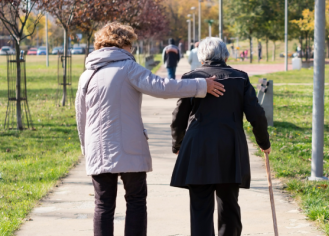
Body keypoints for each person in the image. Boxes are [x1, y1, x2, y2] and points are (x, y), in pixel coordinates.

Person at [75, 22, 226, 236]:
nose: (132, 50)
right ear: (124, 44)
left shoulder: (86, 75)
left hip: (97, 149)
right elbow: (162, 87)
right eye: (131, 46)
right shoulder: (127, 67)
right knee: (135, 201)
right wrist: (202, 86)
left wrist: (86, 147)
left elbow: (81, 116)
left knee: (102, 205)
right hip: (130, 149)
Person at [170, 37, 271, 236]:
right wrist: (264, 142)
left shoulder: (192, 76)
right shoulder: (240, 78)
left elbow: (179, 115)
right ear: (225, 55)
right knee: (229, 205)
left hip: (198, 146)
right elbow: (256, 114)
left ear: (201, 56)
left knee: (200, 208)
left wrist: (177, 143)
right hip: (230, 147)